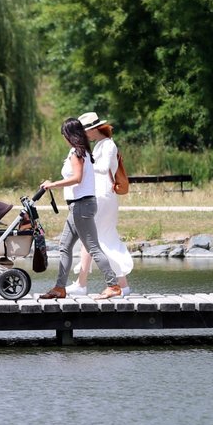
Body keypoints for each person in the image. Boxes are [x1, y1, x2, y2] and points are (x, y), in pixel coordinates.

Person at [39, 117, 122, 300]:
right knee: (64, 246)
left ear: (69, 135)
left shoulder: (77, 153)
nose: (63, 138)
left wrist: (52, 185)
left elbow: (77, 178)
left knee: (93, 247)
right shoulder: (82, 151)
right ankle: (60, 288)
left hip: (82, 206)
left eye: (64, 134)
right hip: (78, 206)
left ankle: (113, 285)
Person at [69, 112, 133, 295]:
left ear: (94, 130)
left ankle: (87, 284)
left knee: (93, 238)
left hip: (103, 196)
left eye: (85, 131)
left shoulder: (108, 145)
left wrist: (83, 165)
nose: (84, 135)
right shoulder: (100, 145)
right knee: (93, 239)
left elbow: (104, 168)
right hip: (101, 195)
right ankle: (86, 284)